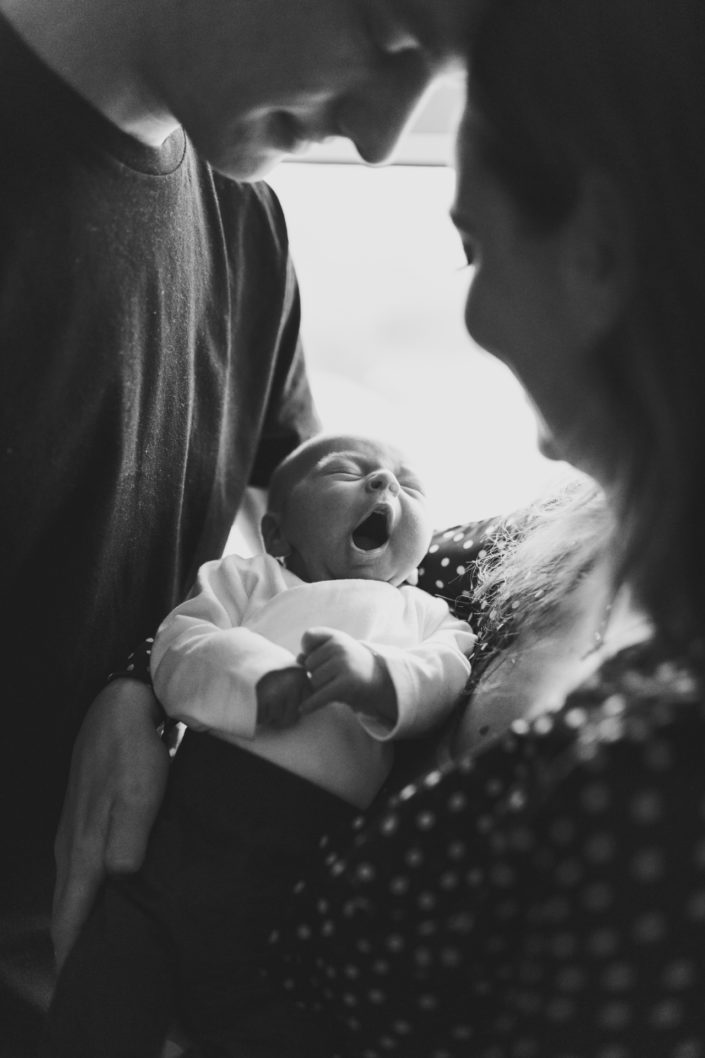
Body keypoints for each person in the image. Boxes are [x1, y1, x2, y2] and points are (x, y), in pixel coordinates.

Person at [0, 0, 479, 1049]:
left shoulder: (244, 224)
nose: (382, 134)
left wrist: (139, 678)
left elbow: (332, 557)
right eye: (387, 36)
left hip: (109, 965)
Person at [266, 0, 705, 1054]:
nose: (471, 314)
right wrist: (142, 690)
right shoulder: (546, 539)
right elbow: (341, 597)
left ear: (596, 250)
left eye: (475, 243)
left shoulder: (662, 767)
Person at [48, 432, 474, 1057]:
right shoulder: (249, 580)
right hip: (189, 825)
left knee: (268, 1018)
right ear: (276, 534)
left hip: (296, 878)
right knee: (107, 972)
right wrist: (258, 682)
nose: (384, 484)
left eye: (407, 485)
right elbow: (180, 645)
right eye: (348, 472)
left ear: (417, 561)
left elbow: (446, 675)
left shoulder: (429, 617)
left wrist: (378, 680)